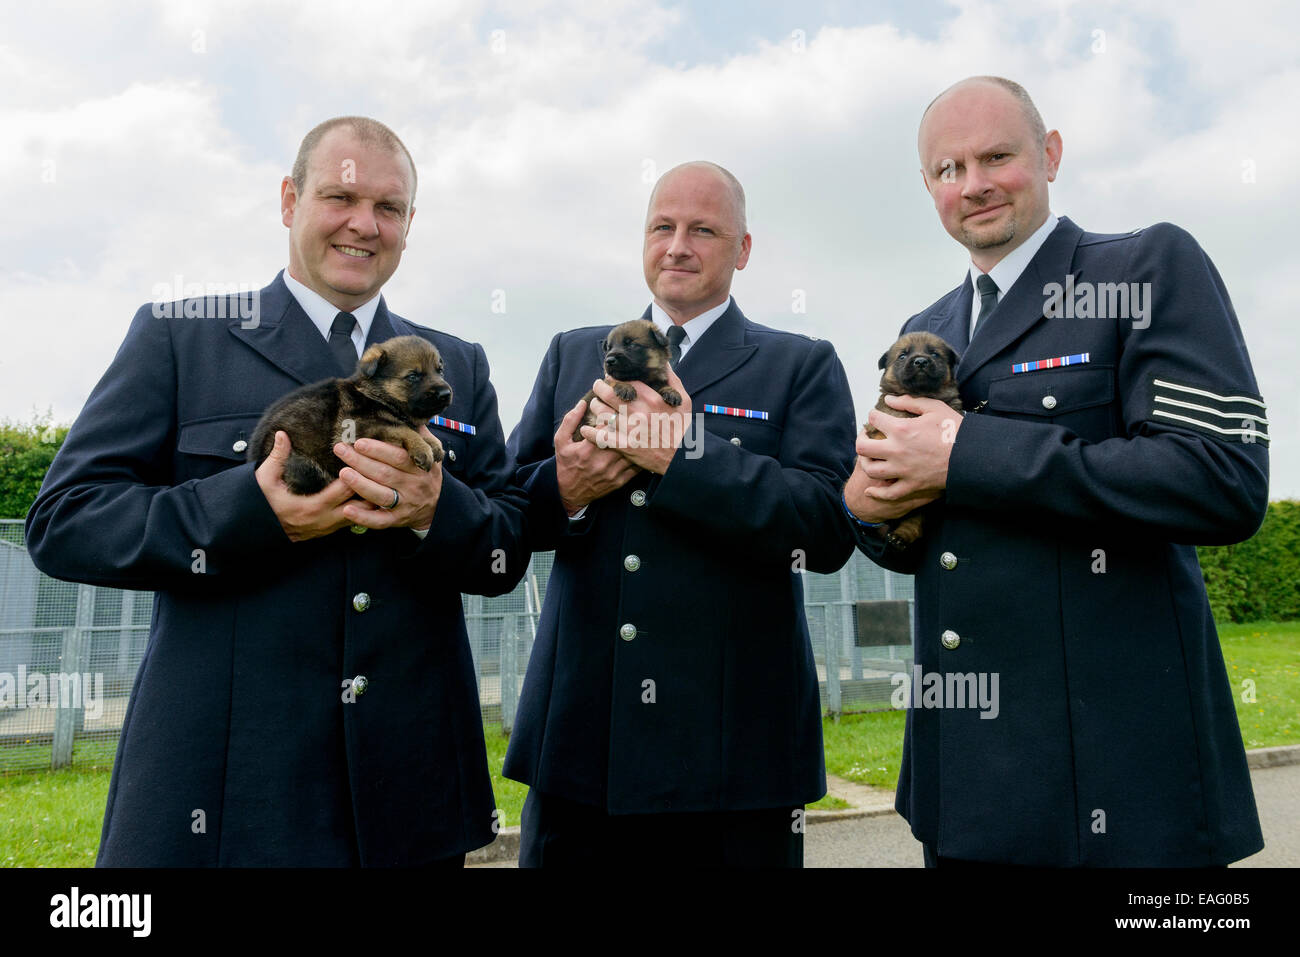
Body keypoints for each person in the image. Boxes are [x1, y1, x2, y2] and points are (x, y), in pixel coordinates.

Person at [25, 116, 528, 867]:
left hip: (407, 794)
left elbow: (505, 547)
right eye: (340, 197)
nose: (364, 223)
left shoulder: (458, 363)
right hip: (228, 789)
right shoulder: (180, 334)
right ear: (289, 199)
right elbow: (65, 520)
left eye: (389, 208)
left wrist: (435, 509)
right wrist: (249, 514)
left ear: (409, 224)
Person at [844, 76, 1269, 866]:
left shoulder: (1145, 264)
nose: (972, 185)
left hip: (1115, 776)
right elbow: (925, 539)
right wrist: (868, 506)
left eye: (995, 156)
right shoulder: (925, 328)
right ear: (929, 187)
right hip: (962, 784)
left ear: (1050, 154)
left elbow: (1221, 477)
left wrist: (964, 451)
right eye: (948, 169)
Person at [503, 161, 857, 867]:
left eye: (703, 229)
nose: (677, 245)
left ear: (744, 250)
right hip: (582, 751)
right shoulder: (573, 352)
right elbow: (508, 515)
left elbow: (825, 527)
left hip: (734, 759)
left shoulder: (799, 365)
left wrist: (684, 457)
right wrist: (566, 486)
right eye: (661, 227)